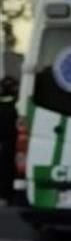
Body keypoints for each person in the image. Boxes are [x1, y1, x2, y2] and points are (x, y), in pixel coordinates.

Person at [0, 76, 18, 204]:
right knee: (8, 168)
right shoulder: (16, 104)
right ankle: (7, 195)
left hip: (4, 141)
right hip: (12, 142)